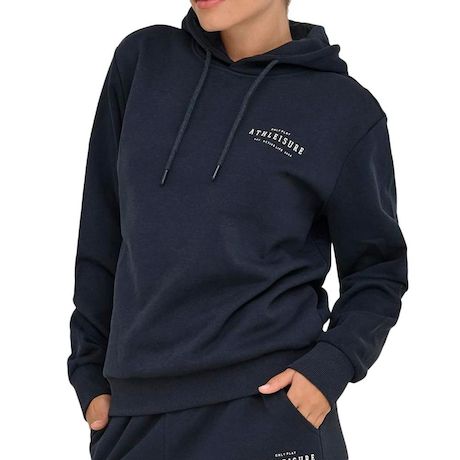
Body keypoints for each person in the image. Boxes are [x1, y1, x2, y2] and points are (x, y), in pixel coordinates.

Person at [67, 0, 409, 458]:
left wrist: (332, 365)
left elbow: (378, 271)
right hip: (133, 417)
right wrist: (89, 374)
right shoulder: (144, 61)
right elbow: (101, 230)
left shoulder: (344, 111)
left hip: (266, 410)